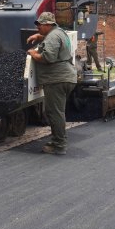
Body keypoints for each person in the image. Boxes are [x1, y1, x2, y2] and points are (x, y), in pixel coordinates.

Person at [26, 12, 77, 155]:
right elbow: (53, 42)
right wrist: (40, 37)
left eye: (40, 25)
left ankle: (59, 145)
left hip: (57, 79)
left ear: (48, 25)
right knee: (57, 112)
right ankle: (57, 140)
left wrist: (33, 53)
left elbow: (48, 57)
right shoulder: (60, 33)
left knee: (55, 113)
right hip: (65, 77)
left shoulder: (53, 36)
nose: (38, 28)